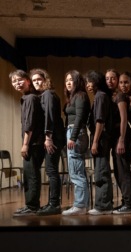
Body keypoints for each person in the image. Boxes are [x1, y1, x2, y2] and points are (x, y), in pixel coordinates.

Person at [29, 69, 66, 216]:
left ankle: (54, 204)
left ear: (45, 80)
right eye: (34, 80)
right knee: (51, 170)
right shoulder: (44, 95)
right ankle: (52, 203)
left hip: (54, 137)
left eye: (39, 79)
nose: (36, 82)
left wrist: (48, 137)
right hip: (53, 136)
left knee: (51, 171)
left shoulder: (48, 94)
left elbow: (50, 117)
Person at [10, 70, 45, 217]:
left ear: (27, 81)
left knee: (31, 175)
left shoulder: (30, 98)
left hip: (33, 143)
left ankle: (32, 206)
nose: (17, 83)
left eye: (19, 80)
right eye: (14, 81)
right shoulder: (26, 98)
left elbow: (29, 124)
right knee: (29, 174)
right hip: (32, 142)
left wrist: (25, 144)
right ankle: (30, 205)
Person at [106, 69, 131, 214]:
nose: (122, 85)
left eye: (125, 82)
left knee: (123, 170)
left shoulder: (121, 97)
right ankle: (126, 201)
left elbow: (124, 119)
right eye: (107, 79)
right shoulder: (115, 96)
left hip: (122, 136)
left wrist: (121, 140)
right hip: (117, 136)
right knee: (118, 170)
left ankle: (129, 204)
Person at [62, 70, 91, 215]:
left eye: (71, 80)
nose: (68, 82)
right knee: (78, 170)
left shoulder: (80, 95)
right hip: (75, 132)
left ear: (77, 81)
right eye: (66, 80)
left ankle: (80, 205)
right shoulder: (74, 97)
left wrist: (72, 137)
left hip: (76, 133)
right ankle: (83, 205)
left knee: (76, 171)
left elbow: (79, 117)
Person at [85, 70, 114, 215]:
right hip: (99, 137)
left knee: (101, 171)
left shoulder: (101, 96)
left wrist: (95, 141)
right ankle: (104, 203)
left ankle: (103, 205)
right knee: (100, 170)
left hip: (101, 138)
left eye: (89, 81)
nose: (87, 85)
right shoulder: (98, 96)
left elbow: (100, 121)